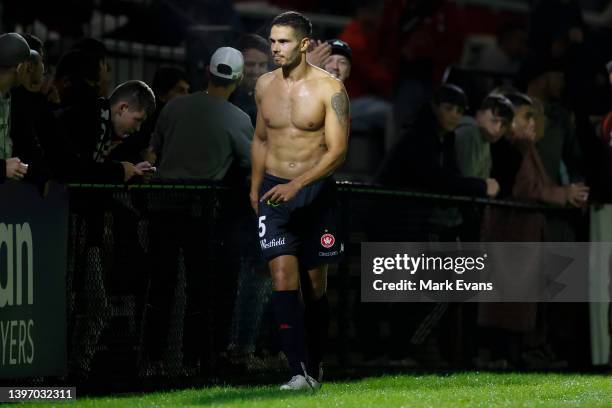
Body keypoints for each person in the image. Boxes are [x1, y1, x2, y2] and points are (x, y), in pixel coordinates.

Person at [251, 11, 349, 390]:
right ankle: (298, 372)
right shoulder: (263, 86)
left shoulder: (331, 89)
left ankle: (315, 363)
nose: (276, 48)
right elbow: (260, 138)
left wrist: (298, 185)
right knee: (281, 276)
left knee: (314, 287)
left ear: (305, 44)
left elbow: (338, 152)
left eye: (284, 41)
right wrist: (254, 187)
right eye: (273, 41)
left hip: (315, 193)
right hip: (273, 193)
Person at [147, 47, 252, 181]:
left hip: (161, 195)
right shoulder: (240, 120)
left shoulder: (173, 105)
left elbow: (154, 148)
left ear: (208, 72)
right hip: (203, 199)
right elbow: (249, 162)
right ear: (240, 78)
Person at [455, 94, 514, 179]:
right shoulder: (471, 133)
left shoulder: (485, 138)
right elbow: (468, 184)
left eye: (503, 124)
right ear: (479, 114)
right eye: (494, 120)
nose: (497, 129)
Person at [0, 32, 31, 183]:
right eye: (27, 66)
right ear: (19, 68)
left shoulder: (8, 97)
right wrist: (2, 168)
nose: (29, 72)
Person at [230, 34, 270, 126]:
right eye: (249, 64)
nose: (256, 71)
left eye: (262, 65)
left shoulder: (275, 99)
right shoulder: (226, 99)